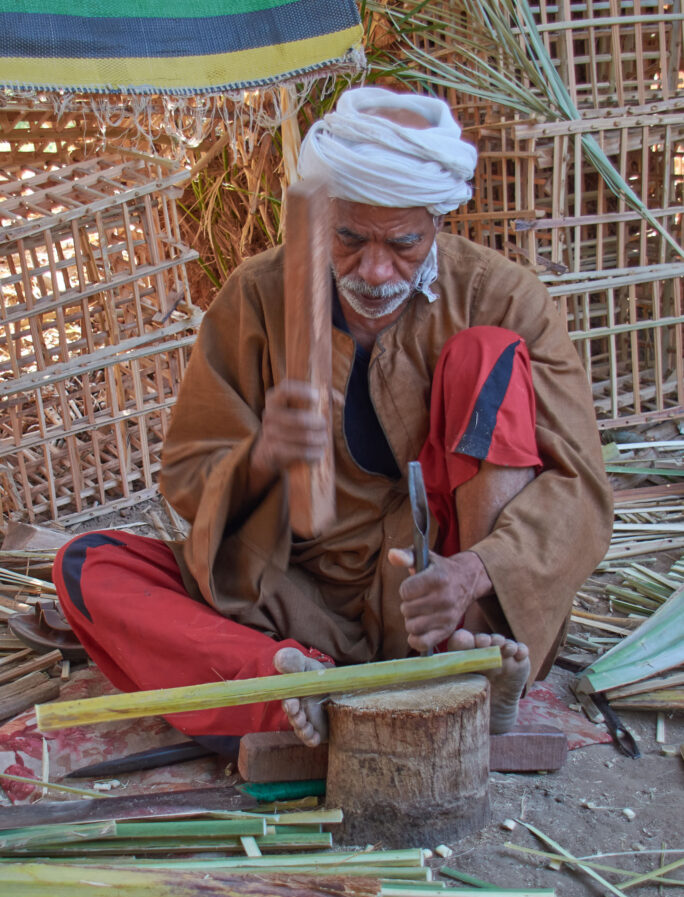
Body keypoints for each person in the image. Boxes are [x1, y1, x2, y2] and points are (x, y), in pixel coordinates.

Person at [52, 87, 613, 753]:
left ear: (437, 221)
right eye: (347, 238)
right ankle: (297, 689)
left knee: (486, 356)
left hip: (446, 609)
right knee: (90, 565)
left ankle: (465, 665)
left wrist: (477, 571)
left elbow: (579, 489)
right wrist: (260, 458)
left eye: (402, 243)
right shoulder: (261, 296)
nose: (374, 270)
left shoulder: (504, 297)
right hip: (299, 605)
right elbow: (189, 471)